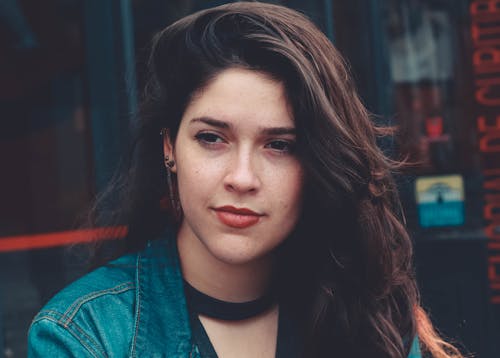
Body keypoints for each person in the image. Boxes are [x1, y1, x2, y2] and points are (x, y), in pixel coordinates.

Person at [28, 2, 464, 357]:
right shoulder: (87, 335)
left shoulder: (369, 318)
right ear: (169, 147)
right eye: (212, 138)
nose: (242, 178)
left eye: (280, 145)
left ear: (316, 163)